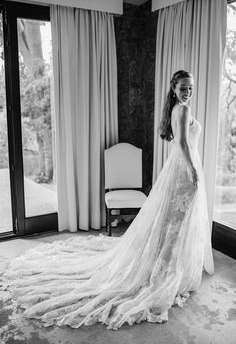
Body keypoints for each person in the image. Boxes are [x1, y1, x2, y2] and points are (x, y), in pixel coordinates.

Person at [2, 70, 214, 330]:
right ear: (174, 88)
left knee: (173, 222)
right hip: (184, 170)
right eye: (183, 87)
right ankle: (165, 271)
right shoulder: (182, 110)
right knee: (176, 223)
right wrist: (193, 170)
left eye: (190, 88)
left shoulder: (177, 108)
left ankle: (166, 265)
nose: (188, 92)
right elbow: (182, 142)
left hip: (180, 169)